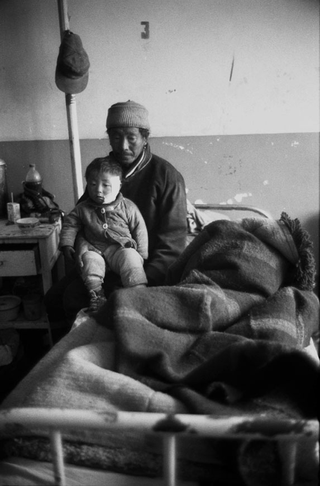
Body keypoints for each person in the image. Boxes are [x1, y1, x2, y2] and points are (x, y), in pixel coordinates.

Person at [45, 100, 188, 323]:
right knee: (52, 299)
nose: (123, 146)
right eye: (115, 137)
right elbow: (83, 215)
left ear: (144, 138)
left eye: (131, 137)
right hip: (99, 258)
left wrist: (136, 280)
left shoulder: (167, 177)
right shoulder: (103, 170)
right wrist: (79, 248)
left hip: (141, 268)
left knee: (74, 300)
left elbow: (172, 247)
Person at [60, 157, 148, 313]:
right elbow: (70, 224)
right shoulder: (82, 208)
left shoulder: (127, 207)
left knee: (131, 258)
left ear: (119, 185)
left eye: (106, 185)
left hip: (120, 248)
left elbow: (139, 229)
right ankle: (97, 295)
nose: (98, 190)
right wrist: (67, 243)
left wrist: (142, 253)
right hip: (95, 249)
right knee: (88, 261)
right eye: (93, 184)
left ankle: (138, 294)